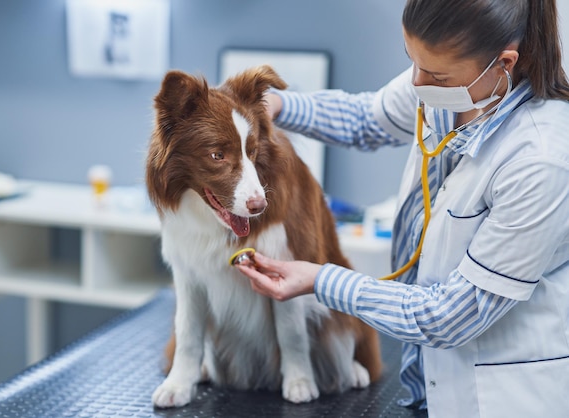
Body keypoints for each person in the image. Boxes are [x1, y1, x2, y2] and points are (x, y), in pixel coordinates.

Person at [235, 1, 569, 417]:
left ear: (504, 64)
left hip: (502, 397)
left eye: (435, 75)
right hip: (429, 381)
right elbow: (366, 118)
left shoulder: (542, 159)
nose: (416, 81)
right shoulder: (451, 82)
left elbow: (450, 316)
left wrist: (322, 280)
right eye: (411, 60)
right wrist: (281, 106)